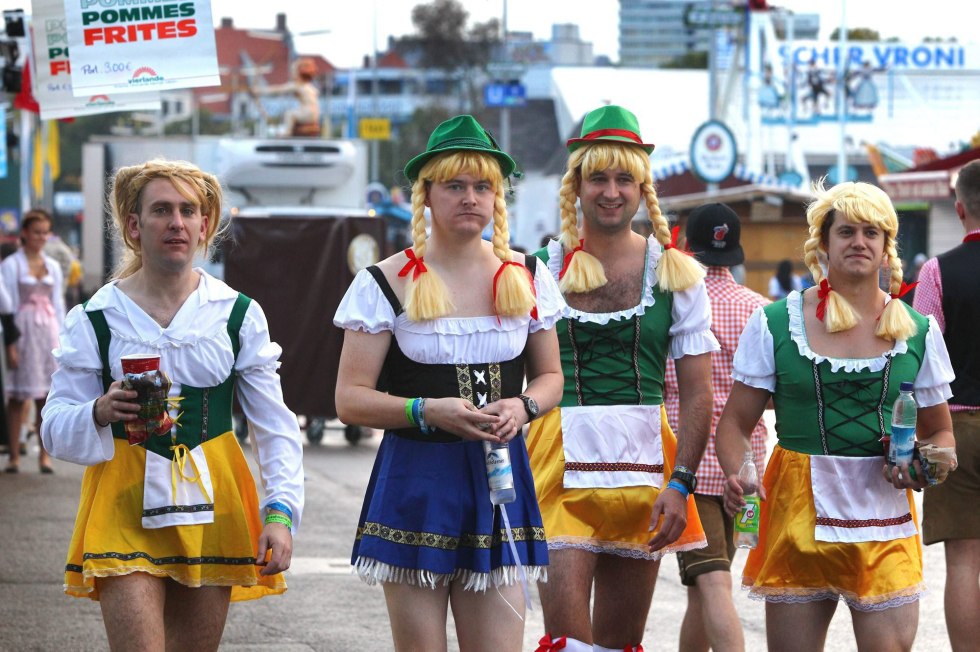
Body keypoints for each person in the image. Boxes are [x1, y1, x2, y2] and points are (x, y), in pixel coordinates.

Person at [40, 159, 304, 650]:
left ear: (205, 225)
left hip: (214, 502)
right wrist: (97, 411)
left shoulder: (237, 314)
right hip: (123, 499)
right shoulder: (95, 318)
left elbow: (275, 427)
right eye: (162, 210)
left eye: (189, 210)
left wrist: (281, 513)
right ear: (134, 226)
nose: (177, 222)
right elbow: (53, 428)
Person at [333, 115, 564, 651]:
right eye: (455, 186)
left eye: (483, 186)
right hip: (417, 482)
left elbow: (552, 377)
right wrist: (426, 410)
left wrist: (525, 406)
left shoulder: (526, 273)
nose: (470, 198)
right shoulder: (384, 282)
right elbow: (349, 399)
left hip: (501, 484)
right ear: (427, 195)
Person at [717, 180, 956, 652]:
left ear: (887, 246)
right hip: (796, 509)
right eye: (846, 231)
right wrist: (740, 470)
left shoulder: (918, 331)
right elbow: (734, 424)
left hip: (884, 516)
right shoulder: (776, 322)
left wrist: (930, 463)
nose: (859, 242)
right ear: (823, 243)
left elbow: (942, 431)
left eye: (872, 232)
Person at [529, 105, 716, 652]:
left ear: (642, 188)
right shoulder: (539, 269)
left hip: (645, 474)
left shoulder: (676, 273)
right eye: (598, 178)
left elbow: (699, 392)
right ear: (577, 186)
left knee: (619, 643)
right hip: (557, 466)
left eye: (623, 179)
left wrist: (681, 483)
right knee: (567, 640)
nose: (611, 192)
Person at [664, 203, 770, 652]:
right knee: (704, 582)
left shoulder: (675, 305)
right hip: (748, 473)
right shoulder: (762, 310)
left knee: (712, 584)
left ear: (687, 245)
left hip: (689, 466)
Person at [913, 159, 980, 651]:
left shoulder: (937, 271)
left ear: (959, 210)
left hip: (957, 428)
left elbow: (921, 358)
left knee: (963, 561)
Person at [2, 209, 64, 474]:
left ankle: (44, 456)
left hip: (47, 331)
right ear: (25, 233)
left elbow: (58, 304)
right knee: (18, 395)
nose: (41, 237)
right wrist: (10, 344)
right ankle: (14, 455)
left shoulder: (53, 266)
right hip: (23, 330)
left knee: (46, 397)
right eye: (36, 232)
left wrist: (63, 342)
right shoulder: (11, 265)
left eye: (44, 232)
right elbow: (7, 306)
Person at [250, 57, 321, 137]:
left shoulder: (297, 86)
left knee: (289, 114)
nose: (292, 74)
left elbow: (277, 89)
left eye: (294, 72)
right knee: (293, 113)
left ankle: (287, 133)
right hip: (315, 115)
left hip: (307, 113)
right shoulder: (310, 87)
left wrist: (258, 91)